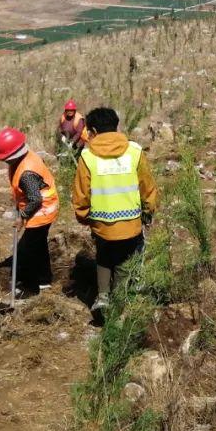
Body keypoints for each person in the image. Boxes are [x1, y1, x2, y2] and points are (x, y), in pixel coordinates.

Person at [72, 107, 160, 320]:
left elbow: (81, 196)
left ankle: (103, 296)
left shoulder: (87, 157)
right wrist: (149, 210)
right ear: (116, 126)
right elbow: (147, 187)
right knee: (123, 262)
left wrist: (85, 217)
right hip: (131, 223)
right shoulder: (134, 151)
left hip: (102, 223)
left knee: (104, 256)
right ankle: (118, 305)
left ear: (92, 130)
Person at [0, 127, 60, 296]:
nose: (4, 161)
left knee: (26, 251)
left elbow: (35, 199)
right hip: (45, 208)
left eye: (5, 158)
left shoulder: (26, 173)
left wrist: (22, 217)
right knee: (39, 246)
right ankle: (44, 280)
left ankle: (29, 287)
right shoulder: (25, 155)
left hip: (41, 212)